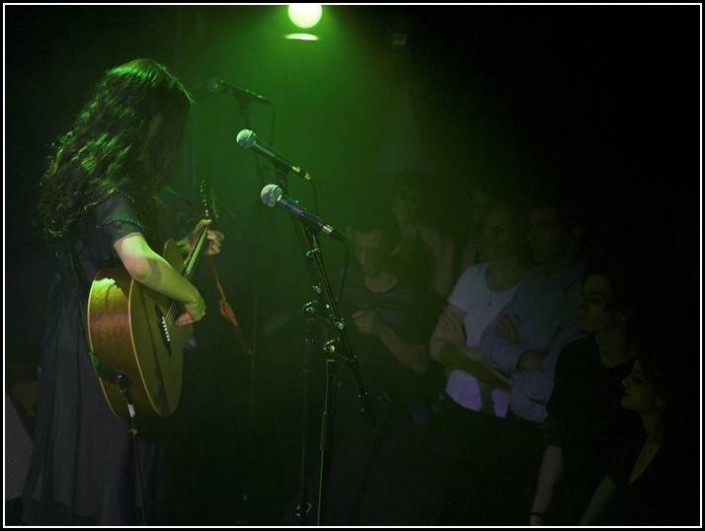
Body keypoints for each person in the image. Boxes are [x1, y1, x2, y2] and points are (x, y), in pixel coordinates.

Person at [21, 58, 224, 525]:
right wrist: (192, 295)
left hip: (82, 336)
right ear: (145, 118)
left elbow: (120, 268)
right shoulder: (111, 179)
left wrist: (188, 247)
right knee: (108, 479)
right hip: (104, 350)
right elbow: (139, 262)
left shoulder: (87, 169)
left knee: (87, 477)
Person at [476, 190, 587, 525]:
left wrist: (513, 363)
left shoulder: (583, 293)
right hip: (511, 426)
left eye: (544, 227)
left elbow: (551, 383)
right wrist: (525, 358)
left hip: (545, 440)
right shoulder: (535, 280)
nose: (532, 236)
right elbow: (487, 342)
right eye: (530, 226)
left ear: (572, 235)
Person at [430, 199, 530, 524]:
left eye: (502, 229)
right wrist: (481, 357)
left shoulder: (531, 289)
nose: (492, 235)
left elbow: (518, 372)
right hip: (455, 406)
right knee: (445, 501)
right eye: (488, 228)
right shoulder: (473, 276)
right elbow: (436, 345)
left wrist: (463, 350)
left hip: (499, 419)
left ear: (519, 233)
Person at [528, 256, 644, 525]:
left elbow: (621, 465)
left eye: (595, 299)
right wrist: (538, 513)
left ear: (623, 309)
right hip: (567, 493)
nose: (582, 306)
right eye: (584, 296)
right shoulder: (575, 356)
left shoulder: (641, 375)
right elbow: (557, 435)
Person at [578, 315, 699, 525]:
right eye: (631, 374)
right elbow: (607, 489)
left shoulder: (678, 465)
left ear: (661, 396)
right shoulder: (633, 437)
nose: (626, 382)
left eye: (638, 380)